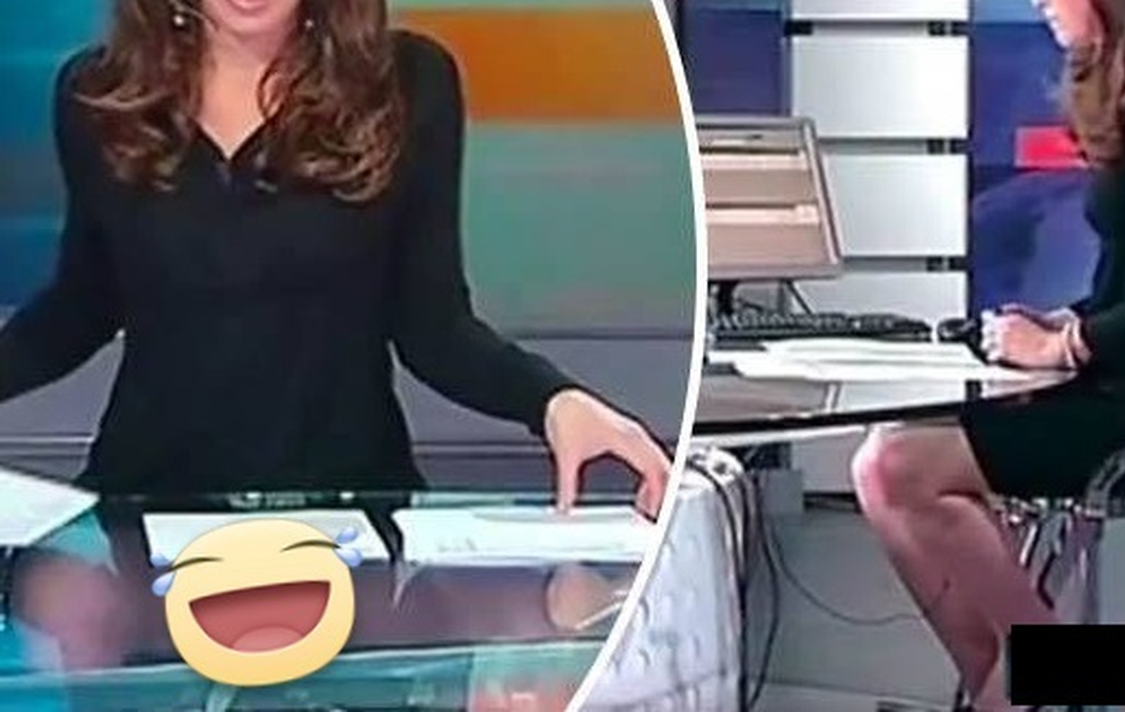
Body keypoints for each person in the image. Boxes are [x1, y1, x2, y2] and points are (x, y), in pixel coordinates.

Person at [0, 0, 674, 673]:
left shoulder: (406, 84)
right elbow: (81, 306)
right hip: (144, 524)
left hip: (349, 526)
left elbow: (434, 327)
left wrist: (552, 401)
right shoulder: (102, 97)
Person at [851, 0, 1125, 709]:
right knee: (882, 458)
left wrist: (1070, 344)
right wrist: (1065, 322)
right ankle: (1022, 691)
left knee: (899, 467)